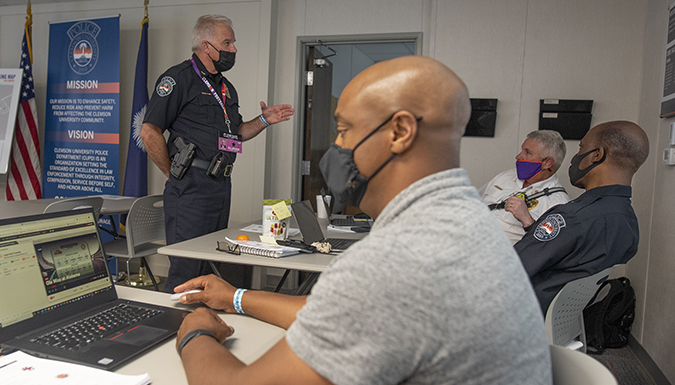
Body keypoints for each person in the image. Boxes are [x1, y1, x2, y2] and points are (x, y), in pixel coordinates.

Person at [172, 56, 551, 385]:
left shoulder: (399, 262)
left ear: (400, 131)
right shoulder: (464, 221)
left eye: (344, 130)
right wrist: (235, 297)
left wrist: (196, 332)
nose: (336, 149)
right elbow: (347, 312)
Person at [140, 15, 294, 292]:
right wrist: (172, 173)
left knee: (210, 264)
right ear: (206, 46)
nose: (234, 49)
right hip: (190, 186)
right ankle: (173, 327)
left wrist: (264, 119)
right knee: (186, 270)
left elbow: (236, 134)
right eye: (228, 42)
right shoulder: (178, 79)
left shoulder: (225, 88)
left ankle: (203, 323)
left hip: (220, 184)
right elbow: (149, 131)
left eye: (233, 43)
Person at [514, 121, 649, 314]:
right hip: (555, 318)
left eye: (581, 149)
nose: (575, 158)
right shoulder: (627, 219)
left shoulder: (573, 218)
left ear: (597, 155)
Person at [478, 130, 570, 244]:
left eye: (528, 152)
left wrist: (528, 221)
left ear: (548, 162)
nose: (518, 156)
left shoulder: (558, 203)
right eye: (522, 150)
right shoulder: (507, 175)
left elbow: (549, 249)